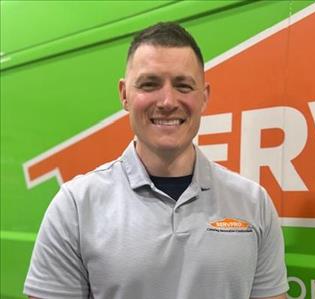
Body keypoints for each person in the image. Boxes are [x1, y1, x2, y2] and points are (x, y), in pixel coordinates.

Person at [24, 22, 289, 299]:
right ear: (124, 94)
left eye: (183, 86)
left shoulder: (253, 203)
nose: (167, 101)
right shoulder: (76, 206)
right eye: (149, 84)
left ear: (204, 97)